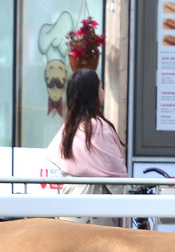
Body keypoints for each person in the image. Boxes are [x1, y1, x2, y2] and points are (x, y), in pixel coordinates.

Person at [45, 69, 127, 227]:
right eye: (101, 87)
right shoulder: (99, 127)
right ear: (94, 93)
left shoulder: (68, 128)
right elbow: (116, 176)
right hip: (98, 211)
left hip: (69, 207)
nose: (103, 92)